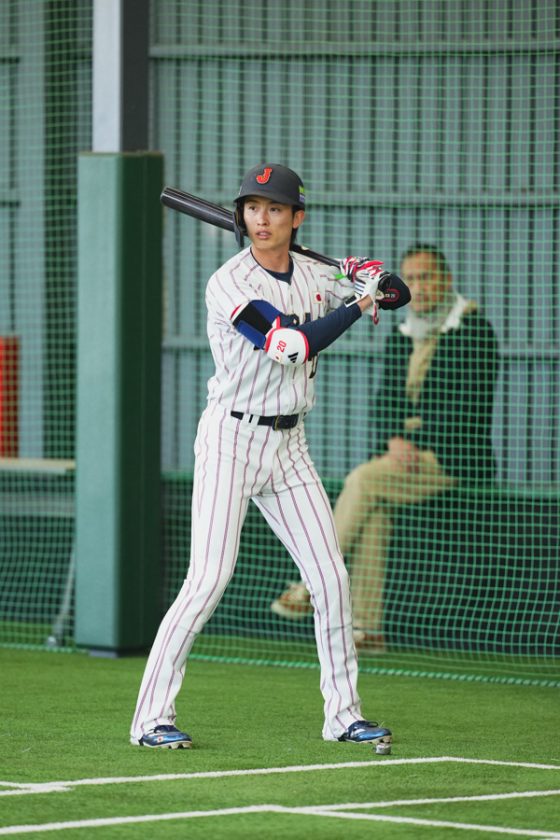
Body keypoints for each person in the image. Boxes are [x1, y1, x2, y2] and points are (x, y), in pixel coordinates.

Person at [130, 163, 410, 749]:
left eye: (275, 208)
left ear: (296, 218)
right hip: (231, 440)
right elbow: (289, 345)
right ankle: (151, 718)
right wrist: (359, 302)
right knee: (208, 580)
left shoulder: (315, 271)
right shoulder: (229, 282)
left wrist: (373, 277)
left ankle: (343, 716)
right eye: (252, 208)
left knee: (330, 578)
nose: (261, 218)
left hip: (289, 444)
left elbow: (397, 293)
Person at [271, 243, 499, 652]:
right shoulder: (402, 333)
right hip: (404, 459)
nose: (419, 287)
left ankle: (308, 584)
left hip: (454, 460)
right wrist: (396, 437)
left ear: (446, 280)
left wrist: (411, 438)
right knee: (373, 510)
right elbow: (386, 403)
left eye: (427, 277)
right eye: (412, 278)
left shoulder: (473, 330)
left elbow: (465, 407)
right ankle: (368, 630)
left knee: (363, 479)